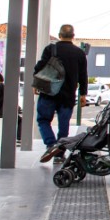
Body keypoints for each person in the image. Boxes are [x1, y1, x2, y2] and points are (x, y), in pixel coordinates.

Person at [34, 25, 88, 162]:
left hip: (49, 93)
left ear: (59, 34)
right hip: (68, 95)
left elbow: (40, 67)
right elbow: (83, 75)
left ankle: (51, 144)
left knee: (43, 120)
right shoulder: (79, 53)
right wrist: (83, 93)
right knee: (64, 125)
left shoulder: (50, 49)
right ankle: (59, 155)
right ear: (73, 36)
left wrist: (36, 84)